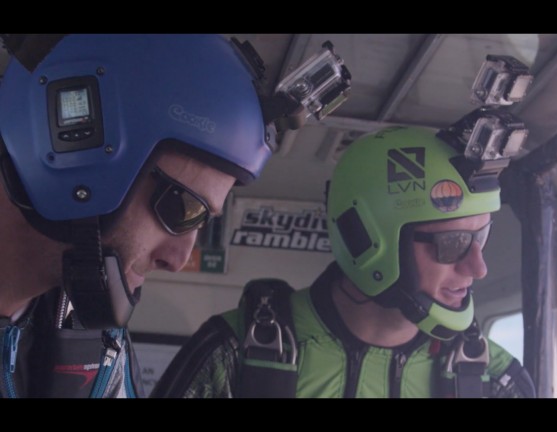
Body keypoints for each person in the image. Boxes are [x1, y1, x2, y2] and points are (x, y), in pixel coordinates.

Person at [152, 125, 536, 398]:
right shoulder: (232, 355)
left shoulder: (495, 381)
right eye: (452, 244)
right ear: (369, 240)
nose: (478, 268)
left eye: (481, 237)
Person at [0, 34, 278, 398]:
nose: (178, 260)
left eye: (200, 222)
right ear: (77, 152)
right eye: (180, 208)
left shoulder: (98, 347)